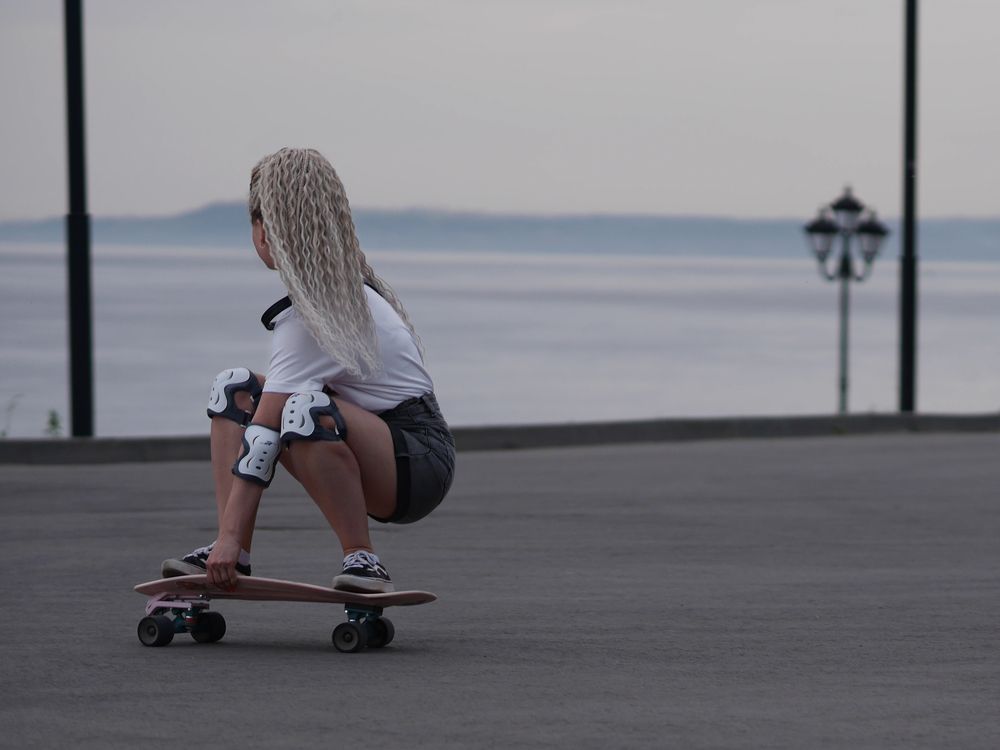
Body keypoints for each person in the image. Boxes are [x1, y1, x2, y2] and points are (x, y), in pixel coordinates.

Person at [160, 147, 455, 593]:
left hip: (417, 462)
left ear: (265, 232)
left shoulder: (318, 314)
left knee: (302, 409)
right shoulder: (327, 300)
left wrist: (227, 536)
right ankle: (235, 553)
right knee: (236, 389)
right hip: (381, 441)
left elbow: (263, 434)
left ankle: (362, 559)